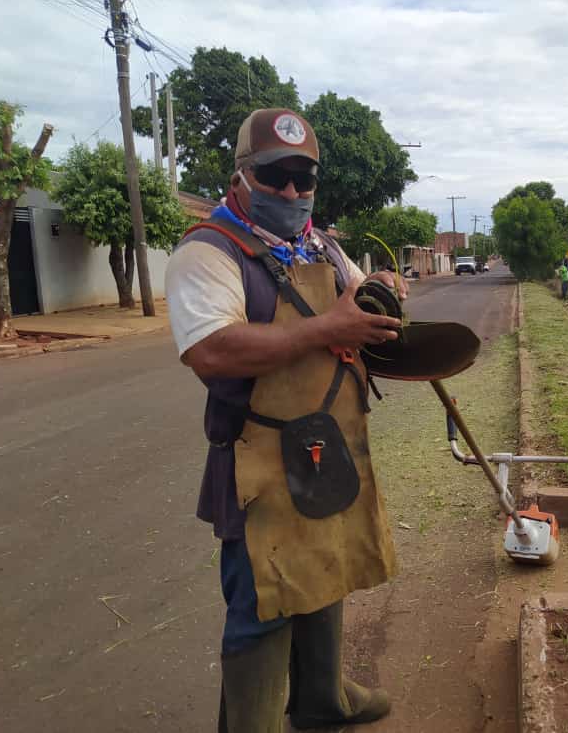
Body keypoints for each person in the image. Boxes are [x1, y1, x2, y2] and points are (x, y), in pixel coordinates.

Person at [165, 108, 408, 732]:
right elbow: (211, 351)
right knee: (263, 602)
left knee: (327, 568)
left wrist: (379, 286)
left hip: (328, 439)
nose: (294, 192)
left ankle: (323, 700)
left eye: (305, 177)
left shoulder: (321, 244)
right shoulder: (209, 250)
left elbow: (360, 306)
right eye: (277, 176)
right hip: (257, 458)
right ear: (242, 175)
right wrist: (330, 327)